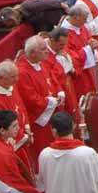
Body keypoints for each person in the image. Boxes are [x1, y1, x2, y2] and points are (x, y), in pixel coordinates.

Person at [38, 111, 98, 193]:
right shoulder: (87, 153)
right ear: (73, 126)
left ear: (53, 131)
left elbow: (42, 184)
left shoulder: (45, 155)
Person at [18, 35, 67, 166]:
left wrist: (59, 91)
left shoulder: (42, 63)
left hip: (51, 114)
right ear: (33, 53)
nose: (47, 51)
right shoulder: (22, 72)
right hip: (39, 120)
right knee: (43, 153)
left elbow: (52, 79)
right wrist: (51, 102)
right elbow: (30, 98)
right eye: (43, 49)